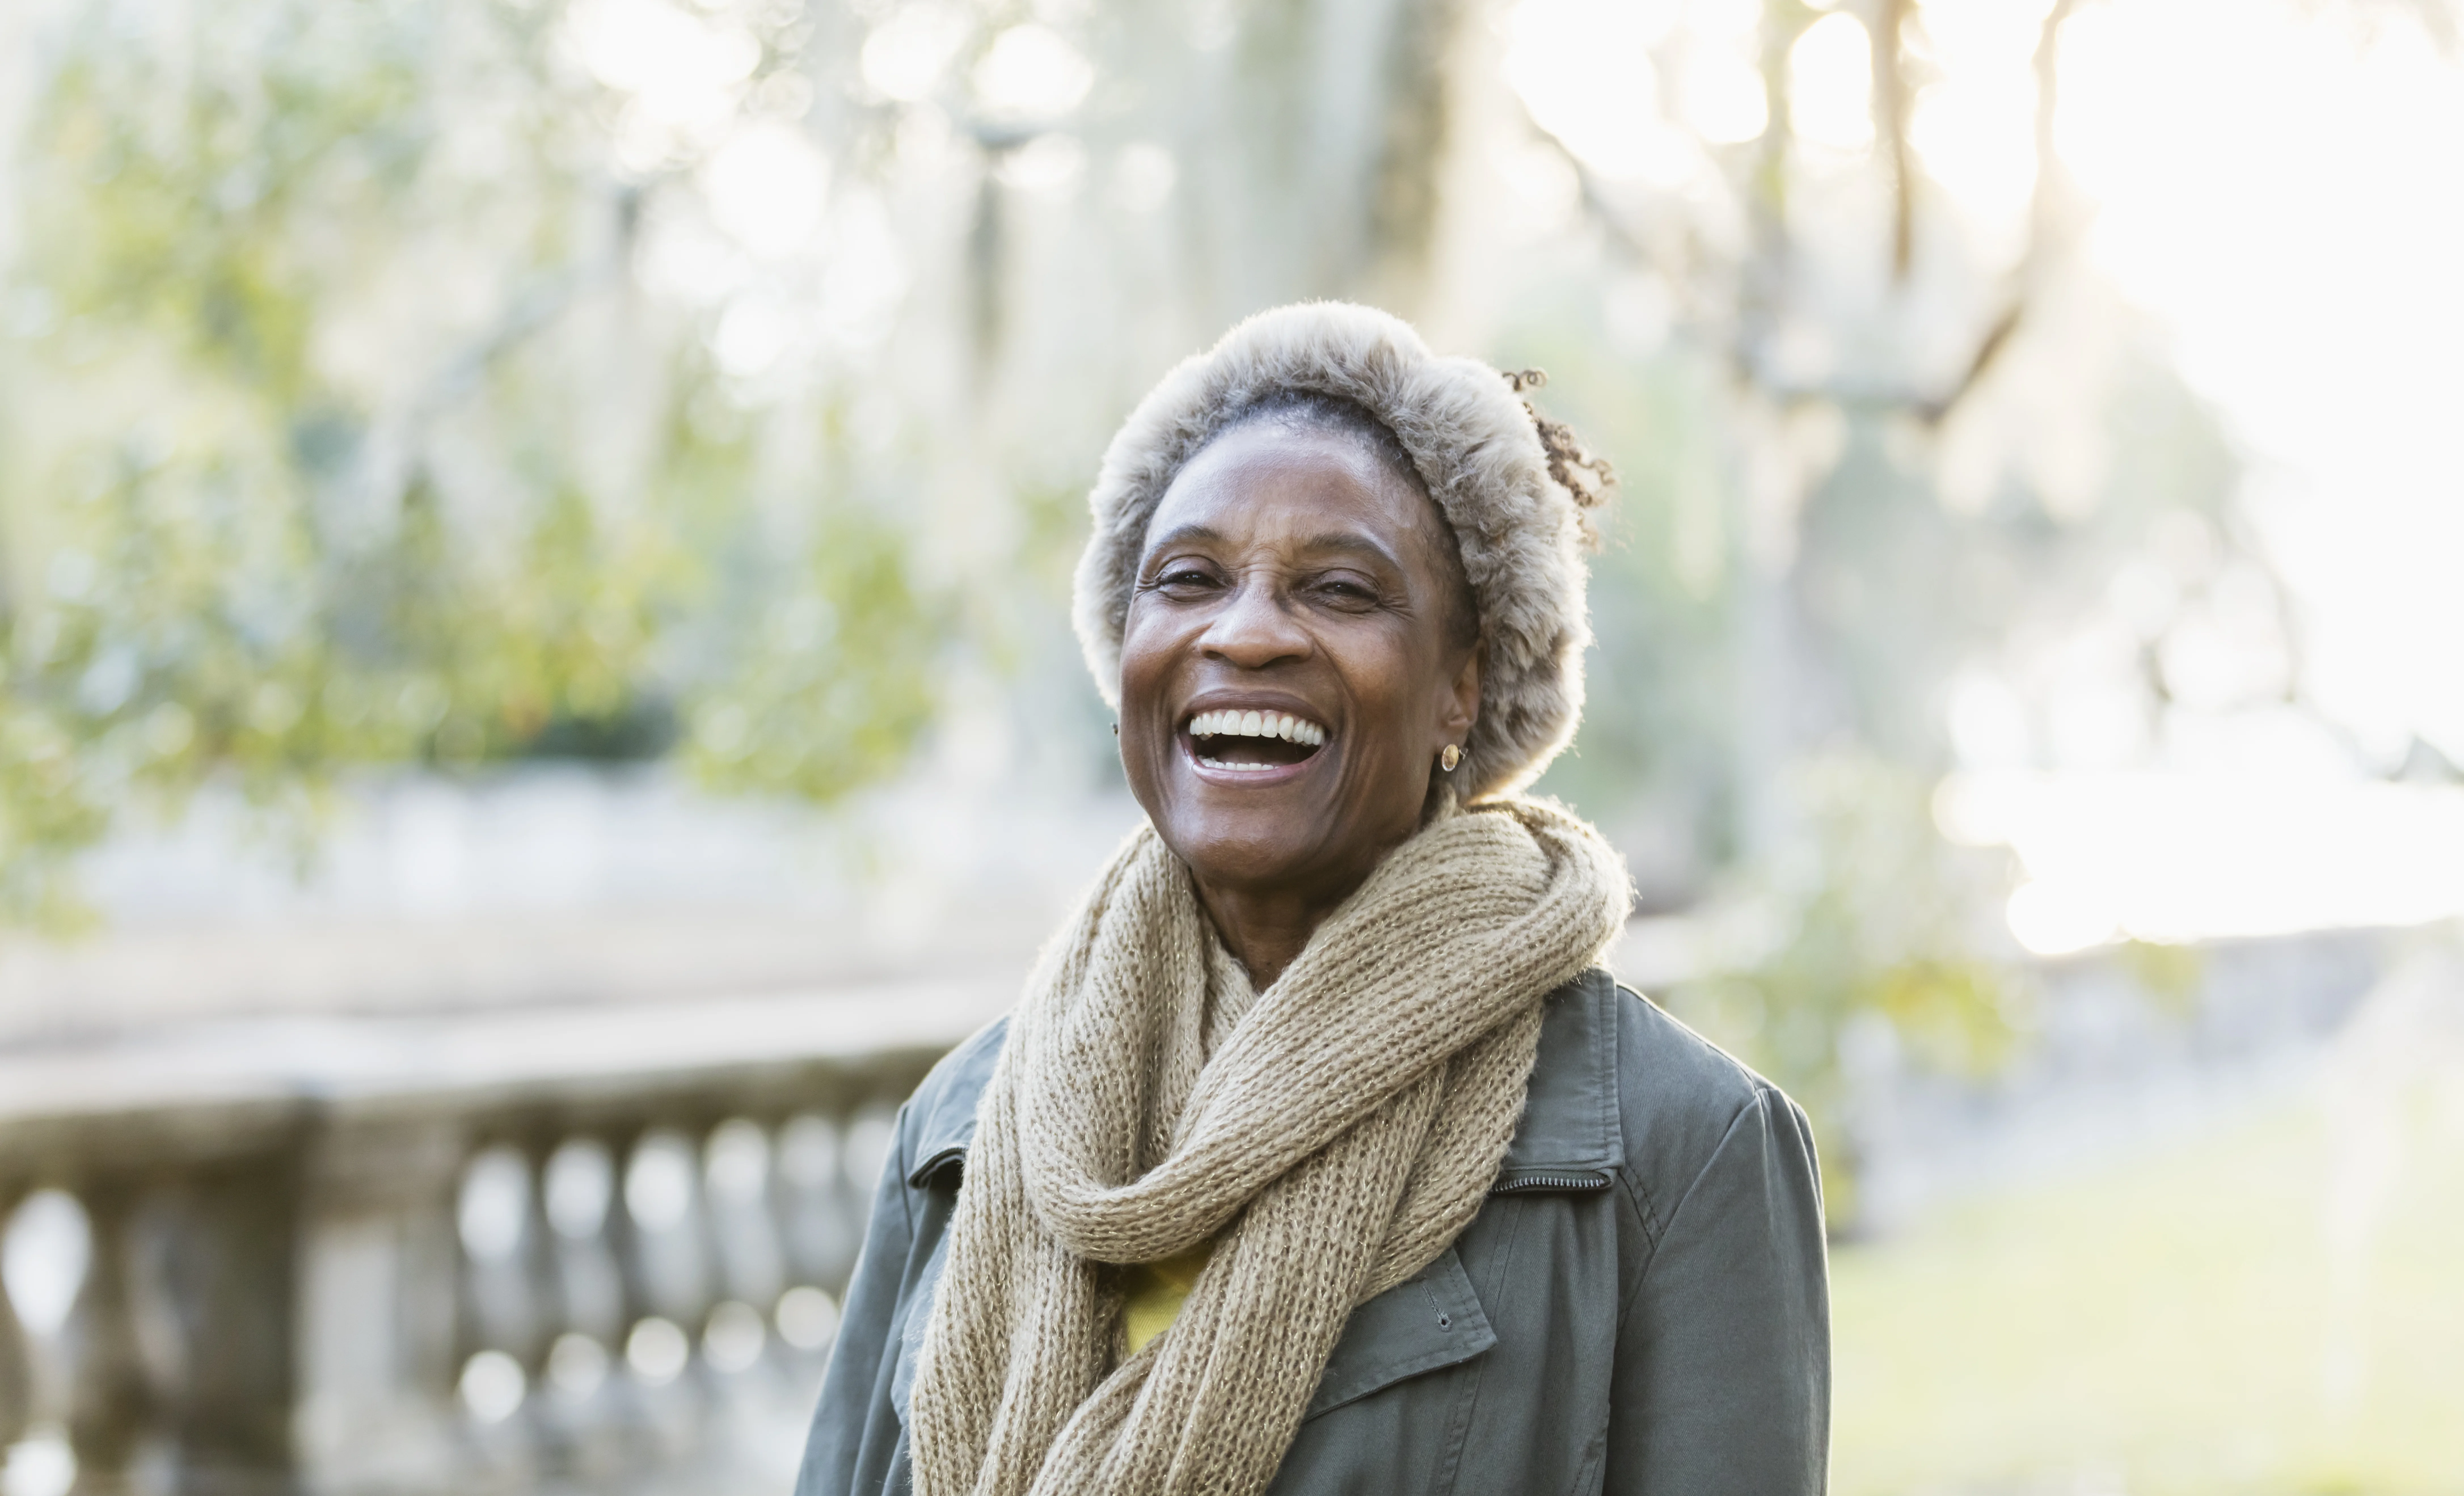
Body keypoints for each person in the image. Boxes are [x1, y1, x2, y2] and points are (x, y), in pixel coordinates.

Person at [794, 303, 1829, 1496]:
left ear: (1464, 688)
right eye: (1188, 579)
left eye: (1339, 590)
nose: (1244, 632)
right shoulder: (966, 1132)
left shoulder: (1670, 1149)